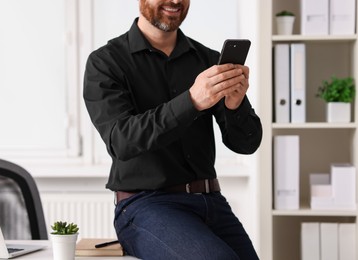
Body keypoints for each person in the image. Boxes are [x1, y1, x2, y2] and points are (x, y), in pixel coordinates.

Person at [83, 0, 262, 259]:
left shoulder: (208, 61)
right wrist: (191, 101)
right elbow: (122, 140)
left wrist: (235, 107)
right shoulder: (106, 62)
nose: (176, 1)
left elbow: (247, 144)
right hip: (146, 205)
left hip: (212, 202)